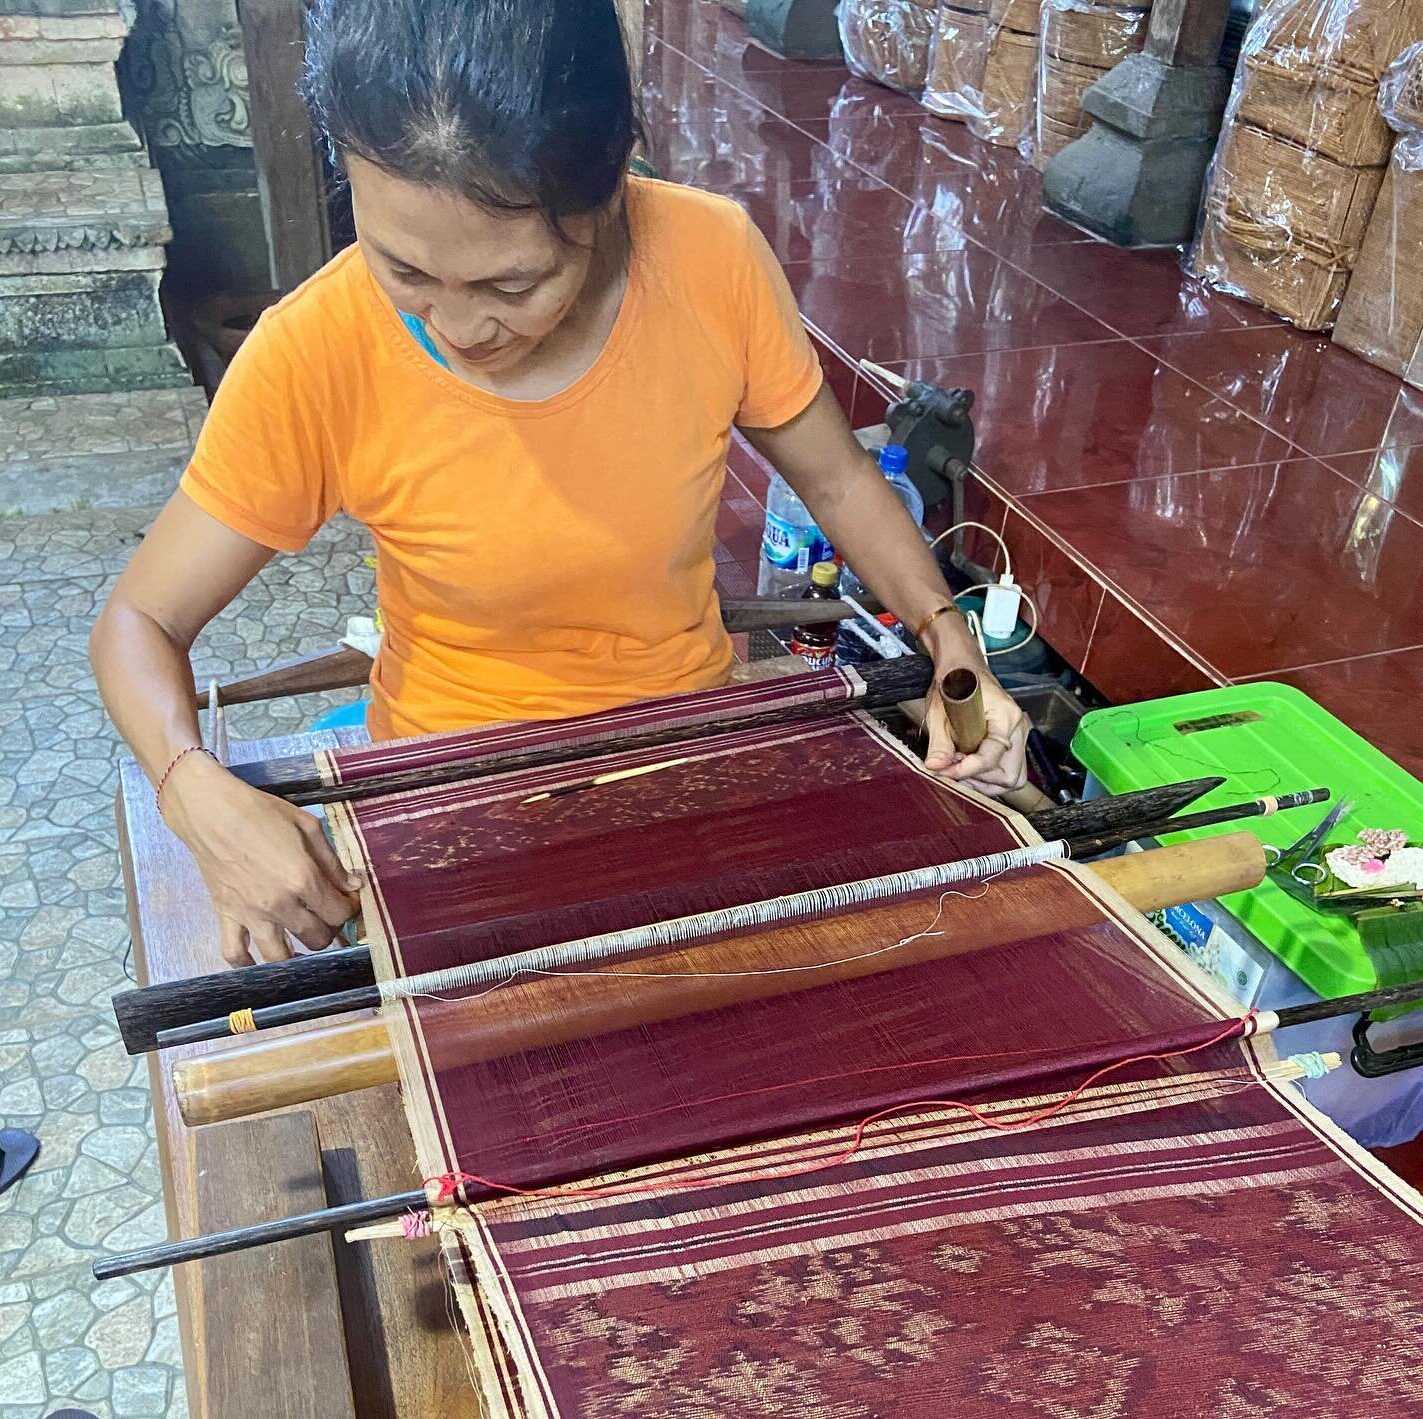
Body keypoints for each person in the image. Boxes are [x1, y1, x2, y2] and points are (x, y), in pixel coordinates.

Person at [90, 0, 1028, 969]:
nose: (457, 327)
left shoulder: (712, 264)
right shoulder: (316, 352)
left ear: (613, 186)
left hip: (690, 774)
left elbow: (838, 483)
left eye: (510, 286)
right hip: (447, 818)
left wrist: (951, 642)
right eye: (403, 268)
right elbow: (137, 625)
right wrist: (190, 785)